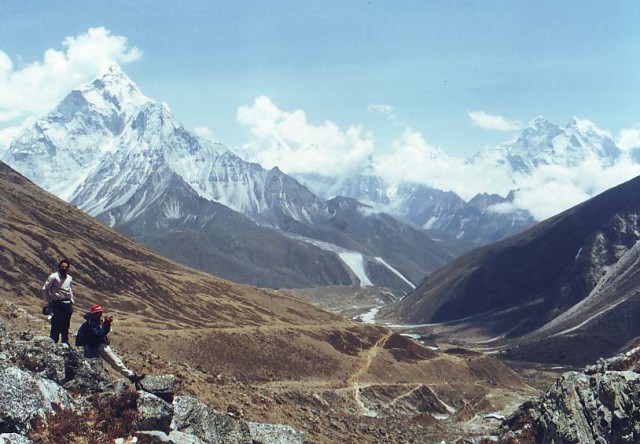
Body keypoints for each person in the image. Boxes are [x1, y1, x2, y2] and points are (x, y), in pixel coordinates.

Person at [77, 304, 144, 385]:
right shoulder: (93, 322)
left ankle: (131, 376)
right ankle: (132, 377)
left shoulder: (92, 320)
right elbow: (99, 333)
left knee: (113, 361)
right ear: (96, 313)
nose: (100, 314)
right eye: (99, 313)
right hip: (97, 345)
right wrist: (106, 324)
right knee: (115, 361)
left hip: (92, 345)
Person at [42, 259, 74, 345]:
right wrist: (48, 301)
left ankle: (65, 342)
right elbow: (45, 289)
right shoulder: (53, 277)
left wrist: (72, 300)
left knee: (66, 324)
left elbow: (70, 289)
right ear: (59, 267)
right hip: (57, 304)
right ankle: (53, 342)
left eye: (66, 267)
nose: (64, 268)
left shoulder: (69, 278)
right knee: (56, 324)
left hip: (67, 304)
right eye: (62, 267)